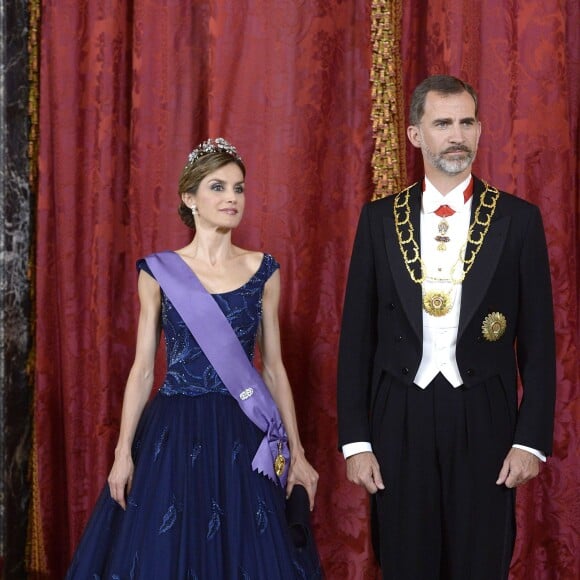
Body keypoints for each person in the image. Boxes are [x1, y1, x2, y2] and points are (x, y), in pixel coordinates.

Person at [67, 138, 322, 579]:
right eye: (218, 187)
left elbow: (274, 369)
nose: (231, 199)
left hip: (244, 432)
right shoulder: (159, 272)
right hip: (173, 432)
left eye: (239, 189)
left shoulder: (264, 270)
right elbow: (143, 369)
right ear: (190, 198)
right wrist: (123, 451)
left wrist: (296, 452)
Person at [337, 75, 555, 579]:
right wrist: (356, 441)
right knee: (405, 559)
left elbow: (541, 345)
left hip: (485, 413)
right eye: (442, 123)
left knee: (481, 561)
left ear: (479, 130)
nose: (456, 135)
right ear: (416, 135)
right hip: (399, 413)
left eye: (466, 122)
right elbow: (356, 340)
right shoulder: (376, 221)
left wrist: (530, 441)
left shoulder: (519, 221)